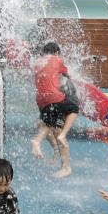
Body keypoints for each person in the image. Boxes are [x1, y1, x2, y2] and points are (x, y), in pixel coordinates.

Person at [30, 42, 78, 178]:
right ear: (56, 52)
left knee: (47, 125)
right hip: (54, 97)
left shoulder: (37, 63)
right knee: (74, 108)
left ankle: (39, 141)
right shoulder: (57, 59)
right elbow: (68, 76)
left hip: (40, 100)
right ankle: (66, 166)